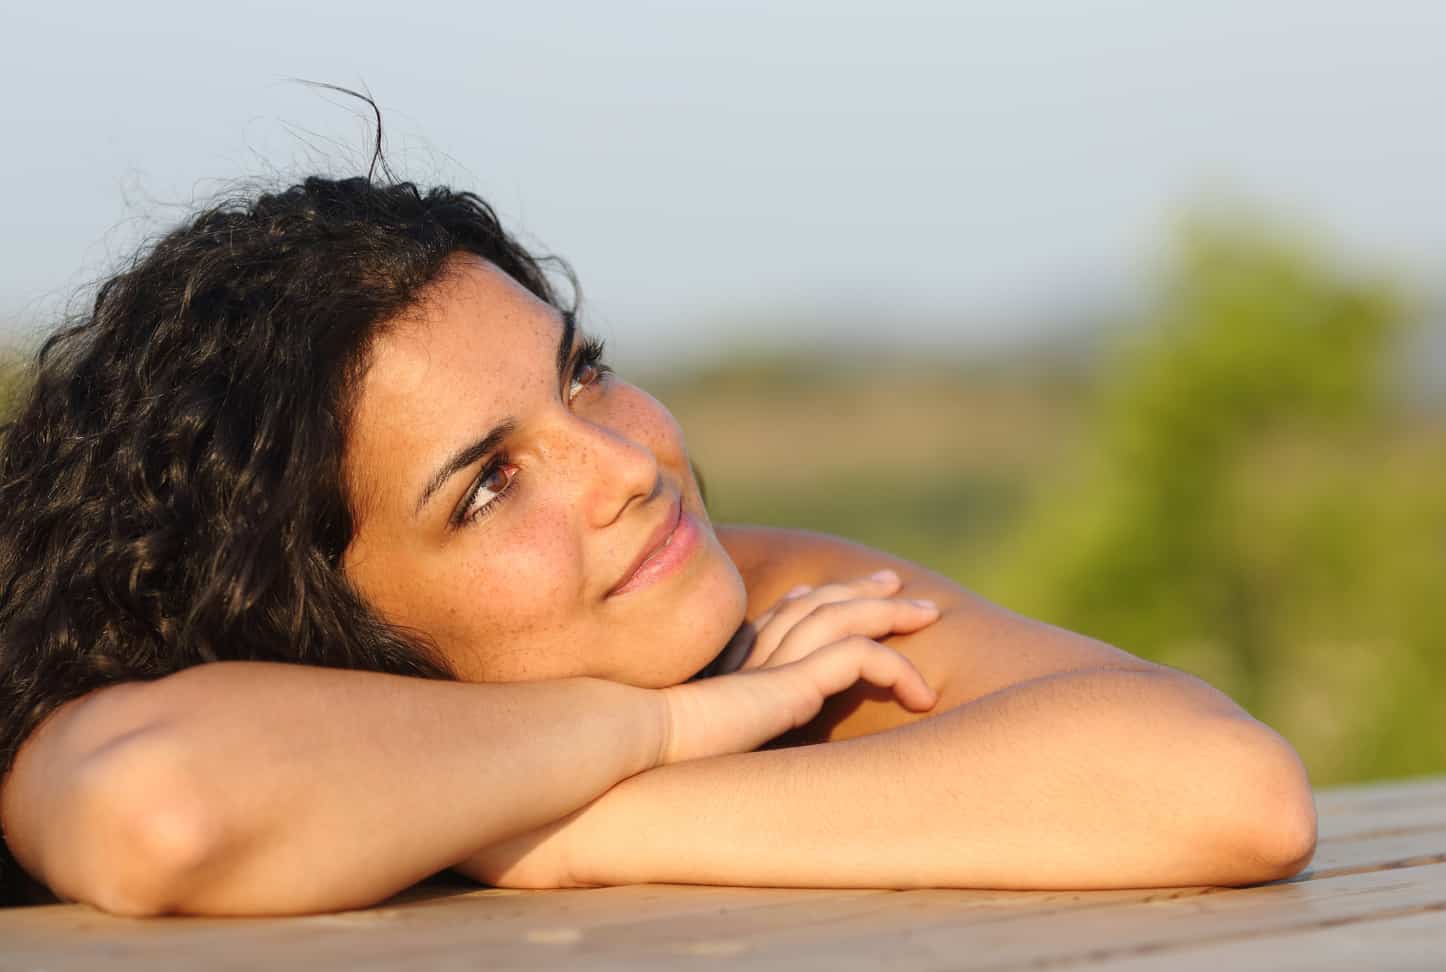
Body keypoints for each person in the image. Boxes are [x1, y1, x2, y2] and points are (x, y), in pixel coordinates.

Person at [0, 172, 1317, 917]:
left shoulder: (765, 605)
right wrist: (664, 733)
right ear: (307, 615)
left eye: (583, 377)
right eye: (488, 486)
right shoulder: (168, 713)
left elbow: (1226, 790)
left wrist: (592, 821)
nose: (629, 467)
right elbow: (158, 809)